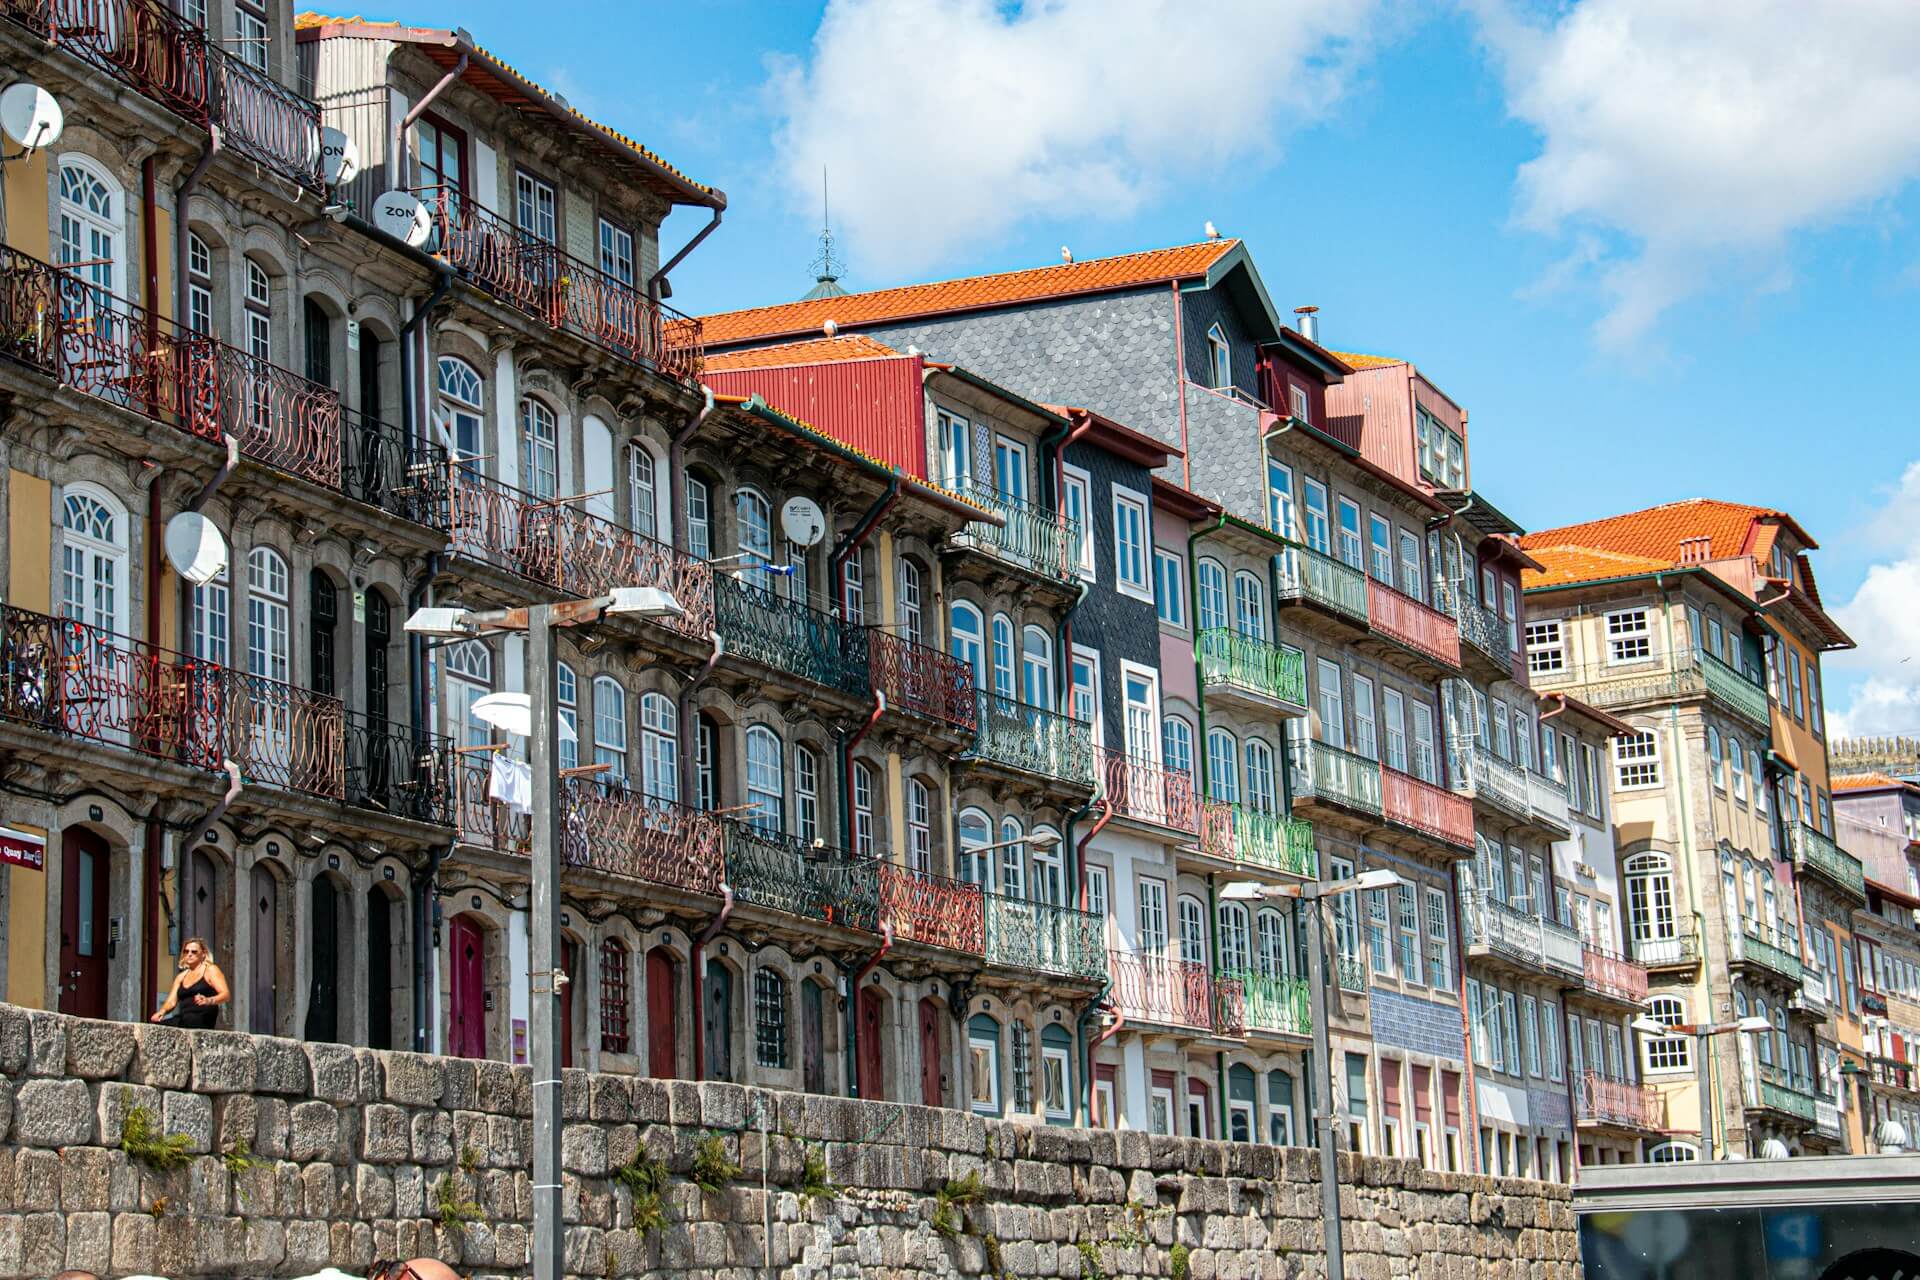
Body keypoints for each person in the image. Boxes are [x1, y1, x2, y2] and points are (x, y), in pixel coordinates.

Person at [149, 937, 229, 1029]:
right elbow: (171, 1002)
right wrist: (161, 1012)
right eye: (186, 952)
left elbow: (225, 994)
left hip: (202, 1019)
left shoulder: (210, 970)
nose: (189, 954)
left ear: (203, 954)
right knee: (156, 1028)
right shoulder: (181, 976)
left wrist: (208, 1000)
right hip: (184, 1019)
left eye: (194, 952)